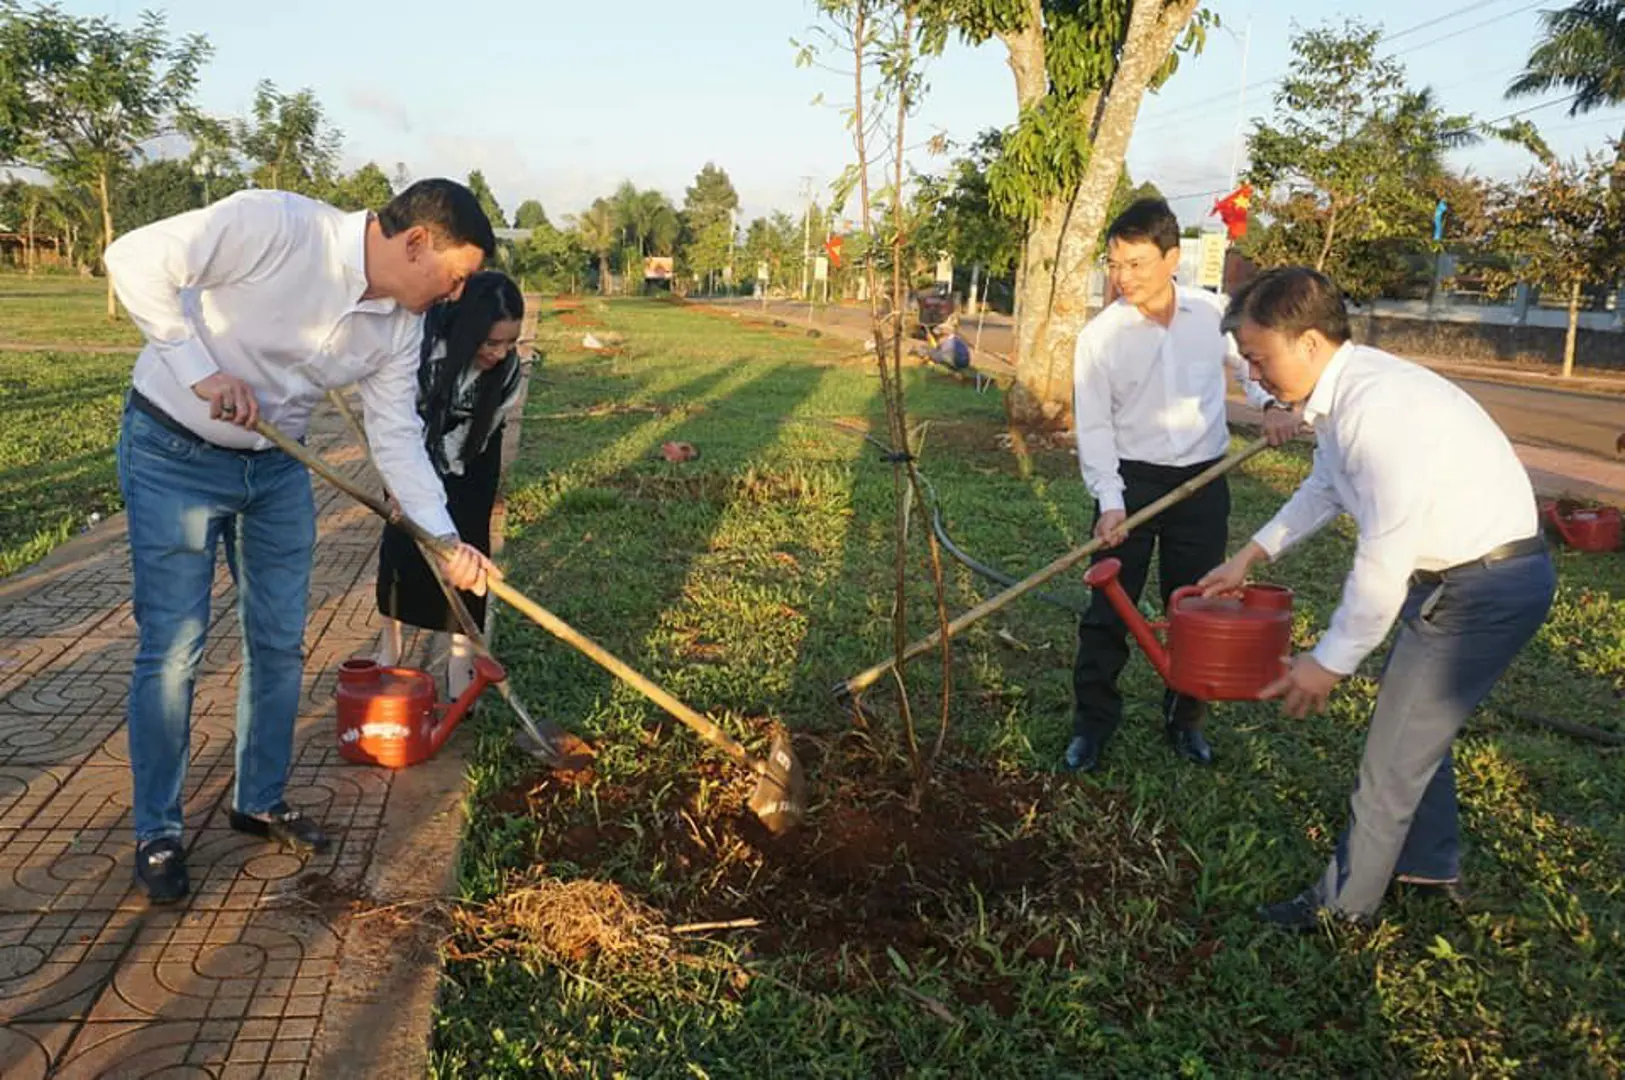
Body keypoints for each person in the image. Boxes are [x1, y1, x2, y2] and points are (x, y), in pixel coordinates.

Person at [106, 179, 499, 905]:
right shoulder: (277, 227)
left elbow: (395, 436)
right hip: (173, 452)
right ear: (416, 243)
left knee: (281, 638)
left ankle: (259, 800)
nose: (453, 294)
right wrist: (201, 372)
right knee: (175, 645)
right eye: (455, 276)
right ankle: (157, 829)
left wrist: (444, 539)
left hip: (276, 467)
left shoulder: (399, 325)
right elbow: (131, 257)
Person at [1198, 267, 1556, 930]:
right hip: (1466, 578)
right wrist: (1247, 556)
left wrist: (1329, 660)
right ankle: (1427, 865)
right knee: (1412, 728)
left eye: (1257, 358)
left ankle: (1342, 909)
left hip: (1484, 587)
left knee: (1391, 755)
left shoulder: (1376, 412)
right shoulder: (1347, 396)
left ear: (1306, 342)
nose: (1254, 375)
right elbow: (1324, 489)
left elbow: (1383, 560)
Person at [1065, 197, 1299, 774]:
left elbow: (1251, 366)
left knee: (1199, 608)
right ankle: (1093, 727)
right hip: (1132, 484)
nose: (1122, 278)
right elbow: (1093, 426)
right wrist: (1110, 502)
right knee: (1108, 614)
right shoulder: (1101, 338)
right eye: (1115, 264)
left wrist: (1270, 403)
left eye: (1137, 264)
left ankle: (1185, 719)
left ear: (1173, 258)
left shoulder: (1212, 313)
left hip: (1202, 482)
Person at [375, 270, 525, 693]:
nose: (501, 353)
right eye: (491, 342)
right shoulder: (423, 354)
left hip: (473, 458)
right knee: (402, 548)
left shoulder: (507, 370)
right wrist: (403, 488)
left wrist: (449, 479)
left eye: (510, 342)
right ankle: (390, 646)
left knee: (468, 552)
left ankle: (461, 661)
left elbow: (477, 433)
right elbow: (396, 429)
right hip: (411, 449)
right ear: (465, 329)